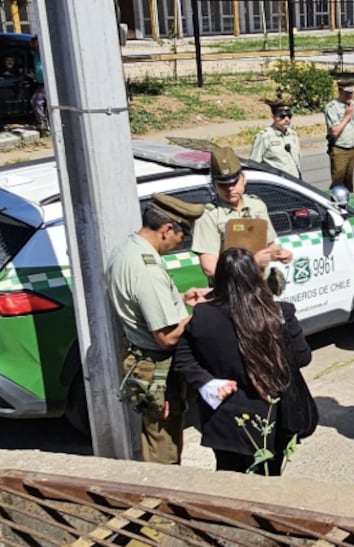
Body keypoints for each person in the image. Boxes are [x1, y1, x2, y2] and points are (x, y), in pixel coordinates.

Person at [174, 249, 315, 475]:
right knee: (267, 482)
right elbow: (303, 357)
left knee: (228, 483)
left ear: (218, 278)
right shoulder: (279, 312)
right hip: (271, 418)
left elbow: (182, 359)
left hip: (223, 419)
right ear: (256, 275)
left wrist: (207, 382)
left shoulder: (202, 316)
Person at [107, 193, 210, 464]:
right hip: (158, 370)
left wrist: (181, 303)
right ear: (166, 229)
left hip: (143, 360)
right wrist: (200, 313)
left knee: (154, 435)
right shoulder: (147, 269)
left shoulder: (126, 249)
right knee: (163, 444)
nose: (182, 242)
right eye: (182, 235)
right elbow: (167, 336)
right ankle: (163, 500)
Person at [191, 146, 293, 279]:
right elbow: (210, 268)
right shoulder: (209, 216)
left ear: (243, 178)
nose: (230, 189)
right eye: (223, 185)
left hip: (260, 286)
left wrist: (279, 253)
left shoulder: (257, 206)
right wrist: (252, 263)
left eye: (234, 182)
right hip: (232, 292)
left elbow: (268, 245)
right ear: (214, 184)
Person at [323, 78, 354, 191]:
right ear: (340, 91)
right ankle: (331, 203)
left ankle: (348, 204)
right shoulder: (332, 107)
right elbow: (335, 131)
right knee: (338, 182)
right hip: (339, 149)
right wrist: (347, 116)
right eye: (347, 93)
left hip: (352, 148)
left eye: (351, 93)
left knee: (349, 181)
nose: (349, 96)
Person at [250, 94, 302, 178]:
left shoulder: (293, 135)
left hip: (294, 183)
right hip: (278, 185)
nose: (287, 119)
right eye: (282, 116)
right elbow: (254, 164)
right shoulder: (264, 136)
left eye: (289, 116)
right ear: (273, 117)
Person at [27, 35, 48, 133]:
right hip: (40, 82)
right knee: (36, 101)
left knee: (37, 101)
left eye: (37, 42)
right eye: (34, 43)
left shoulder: (46, 52)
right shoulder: (34, 54)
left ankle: (42, 123)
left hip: (47, 83)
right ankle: (43, 122)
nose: (36, 45)